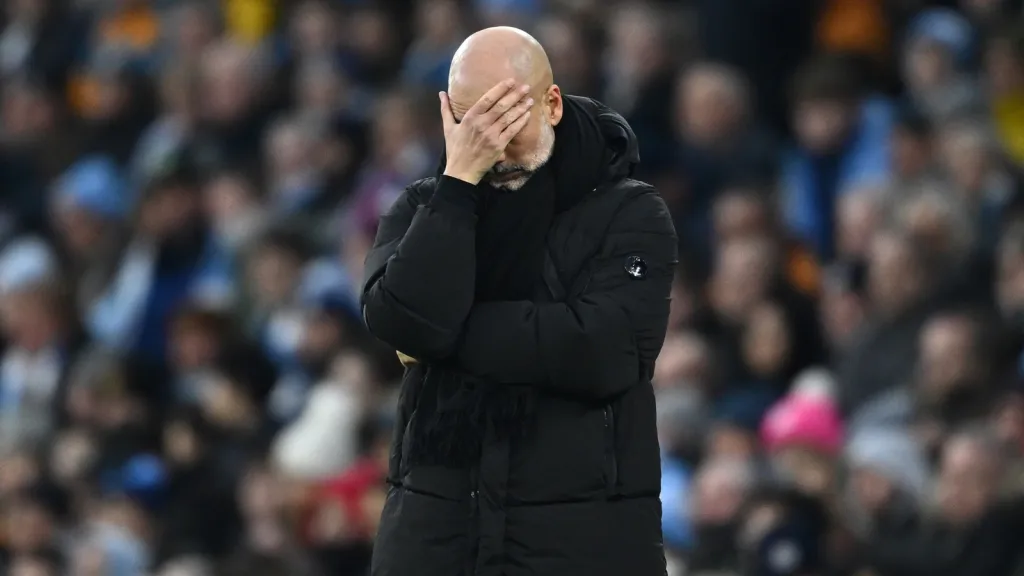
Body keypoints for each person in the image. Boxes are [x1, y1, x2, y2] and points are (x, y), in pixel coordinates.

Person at [361, 26, 677, 576]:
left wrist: (447, 338)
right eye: (472, 121)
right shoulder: (423, 208)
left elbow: (603, 349)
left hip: (582, 541)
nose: (492, 141)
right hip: (437, 536)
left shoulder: (630, 212)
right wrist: (458, 183)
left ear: (551, 105)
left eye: (507, 115)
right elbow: (397, 320)